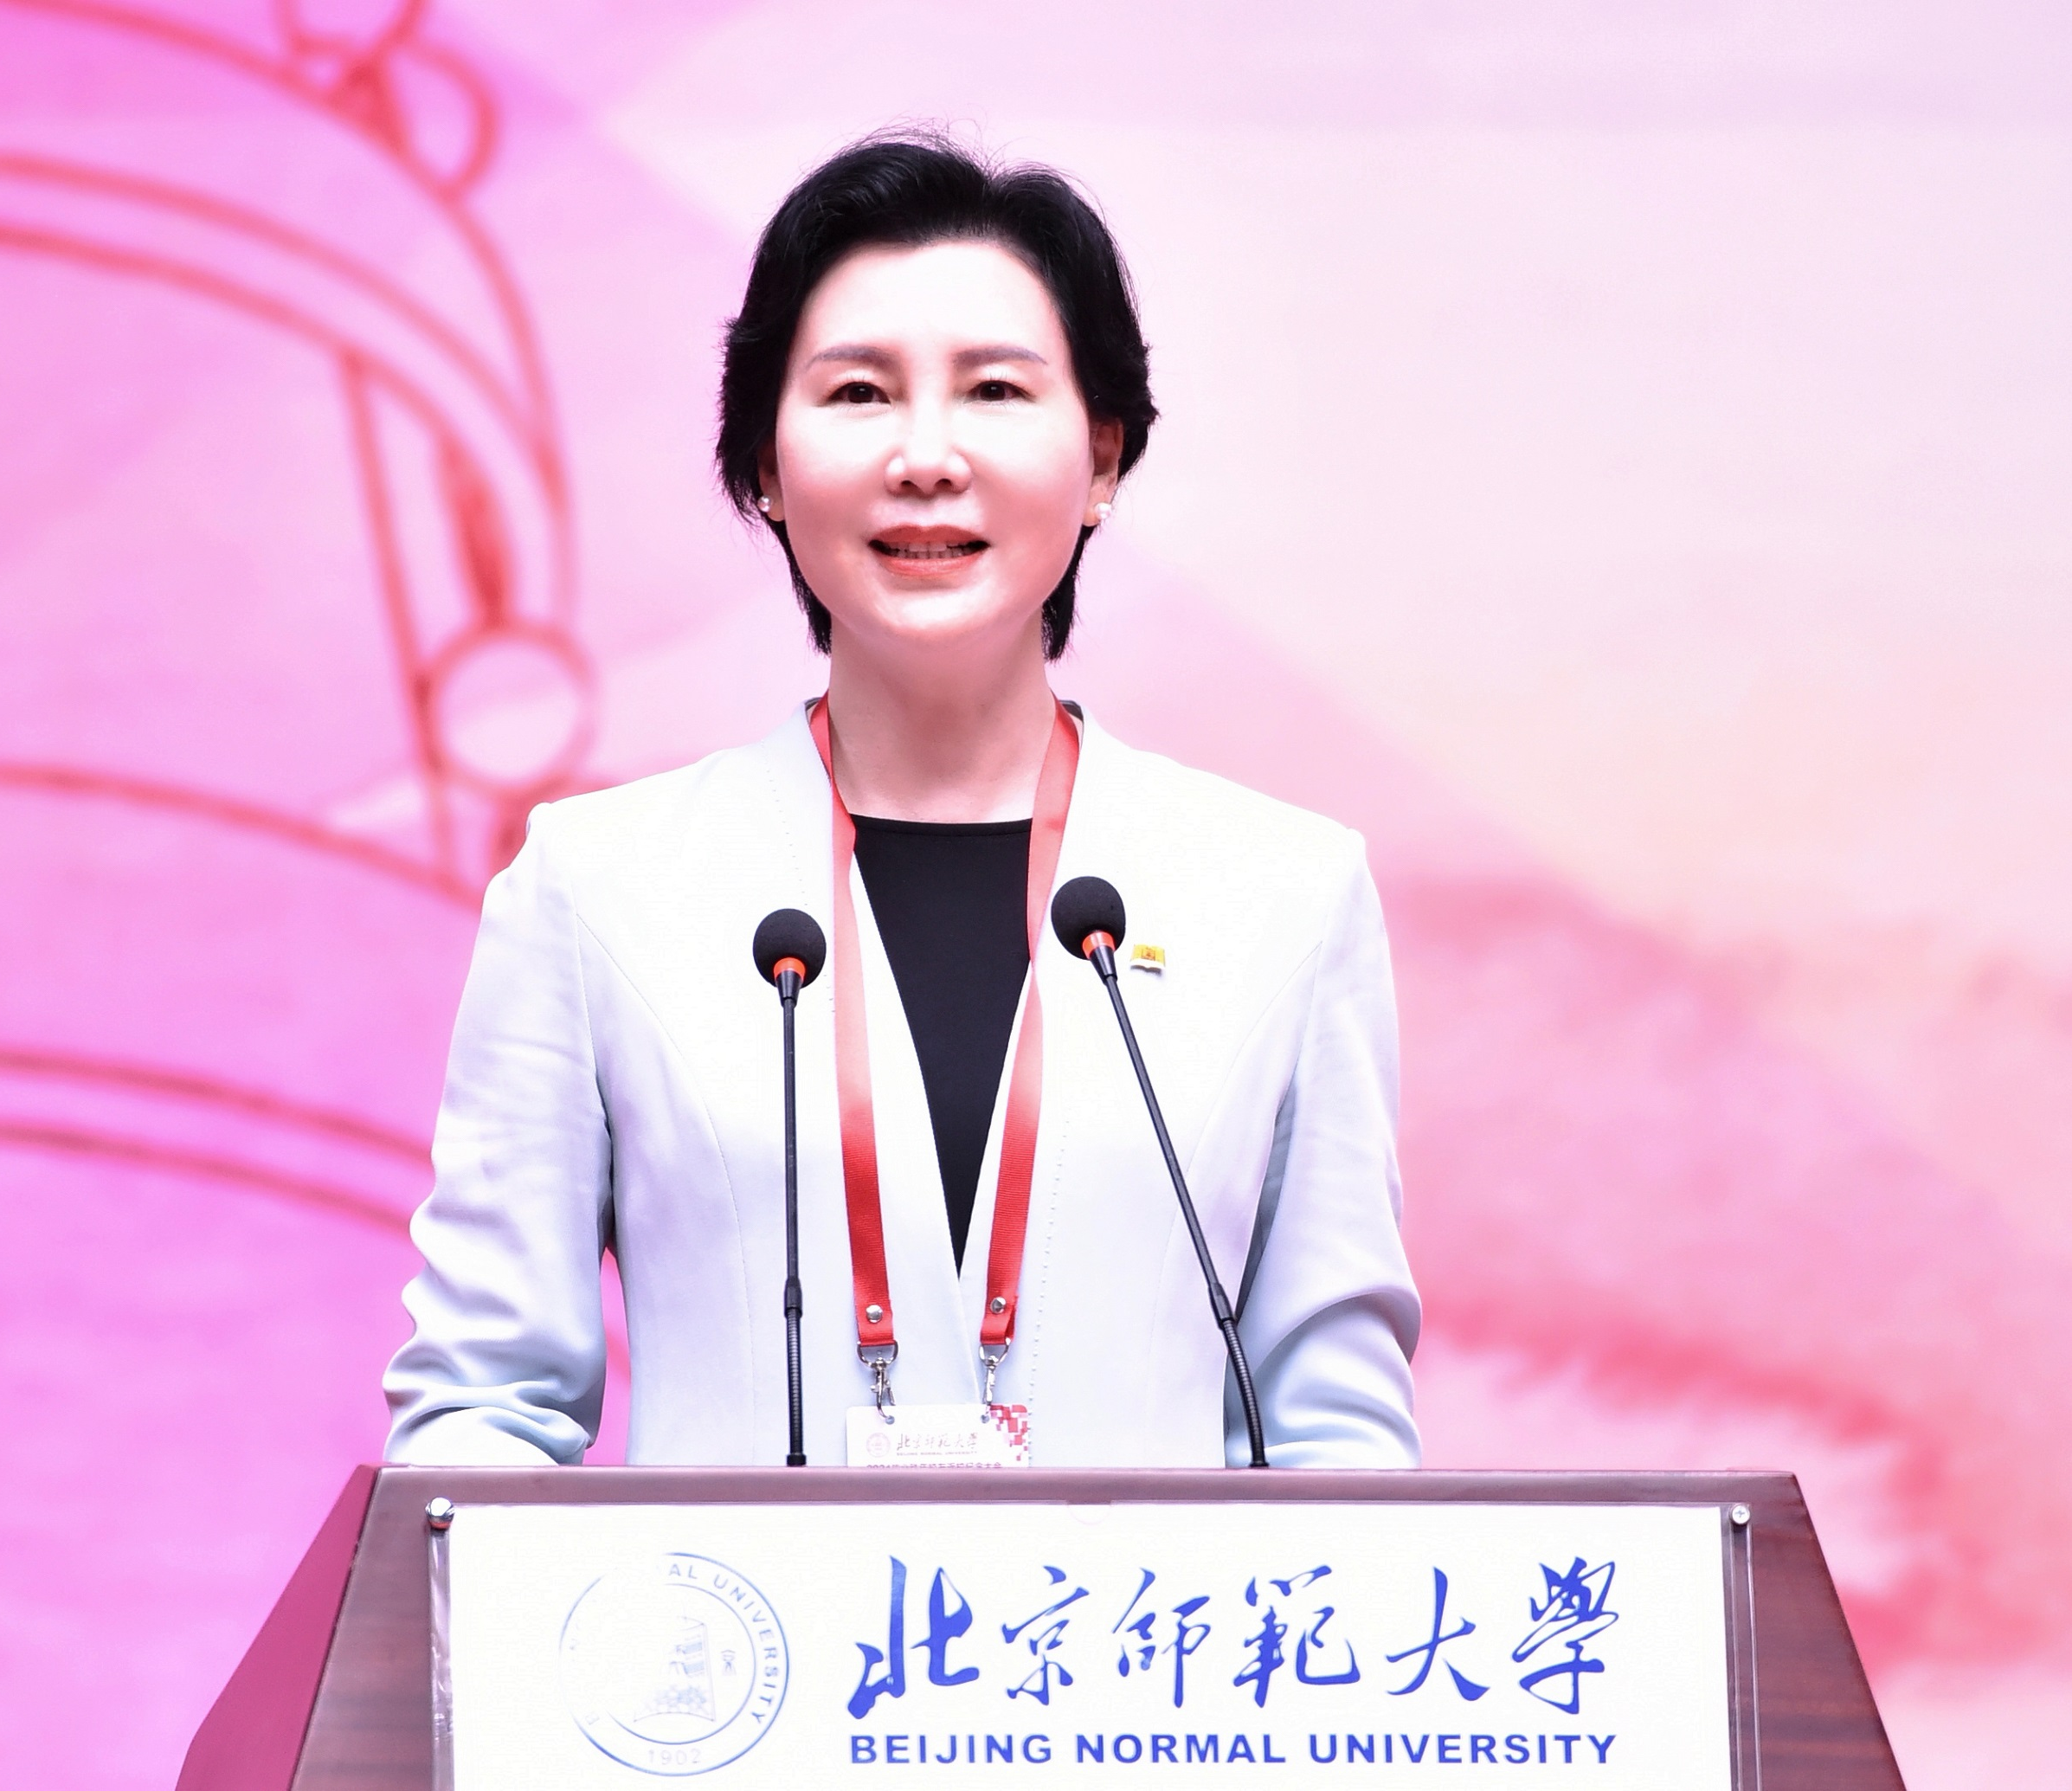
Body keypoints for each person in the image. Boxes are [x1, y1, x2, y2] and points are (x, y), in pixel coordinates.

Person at [383, 132, 1420, 1469]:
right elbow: (478, 1414)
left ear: (1103, 457)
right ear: (765, 466)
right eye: (860, 393)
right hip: (730, 1619)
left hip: (1139, 1619)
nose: (926, 458)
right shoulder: (594, 889)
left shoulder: (1284, 893)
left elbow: (1339, 1448)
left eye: (995, 390)